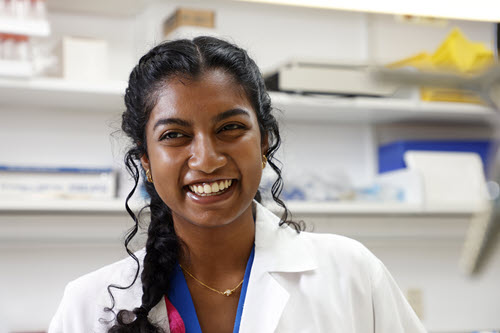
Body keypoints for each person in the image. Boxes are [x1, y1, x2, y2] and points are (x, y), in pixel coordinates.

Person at [48, 36, 427, 333]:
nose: (207, 159)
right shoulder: (88, 305)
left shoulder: (352, 275)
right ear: (146, 161)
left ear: (264, 143)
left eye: (230, 128)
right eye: (175, 135)